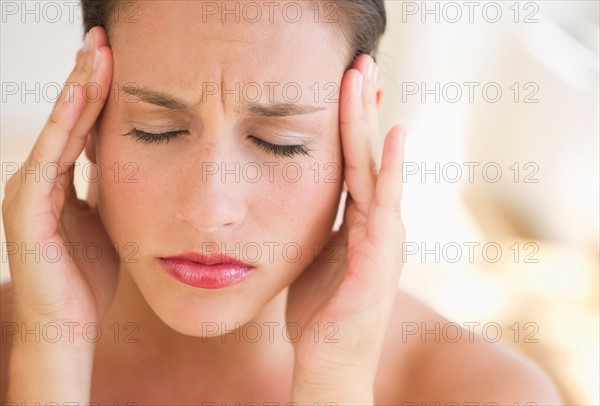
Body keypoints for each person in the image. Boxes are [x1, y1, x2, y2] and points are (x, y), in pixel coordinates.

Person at [1, 1, 562, 404]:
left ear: (355, 134)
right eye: (158, 130)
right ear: (88, 121)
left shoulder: (488, 395)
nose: (210, 209)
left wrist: (334, 382)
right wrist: (52, 350)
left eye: (279, 142)